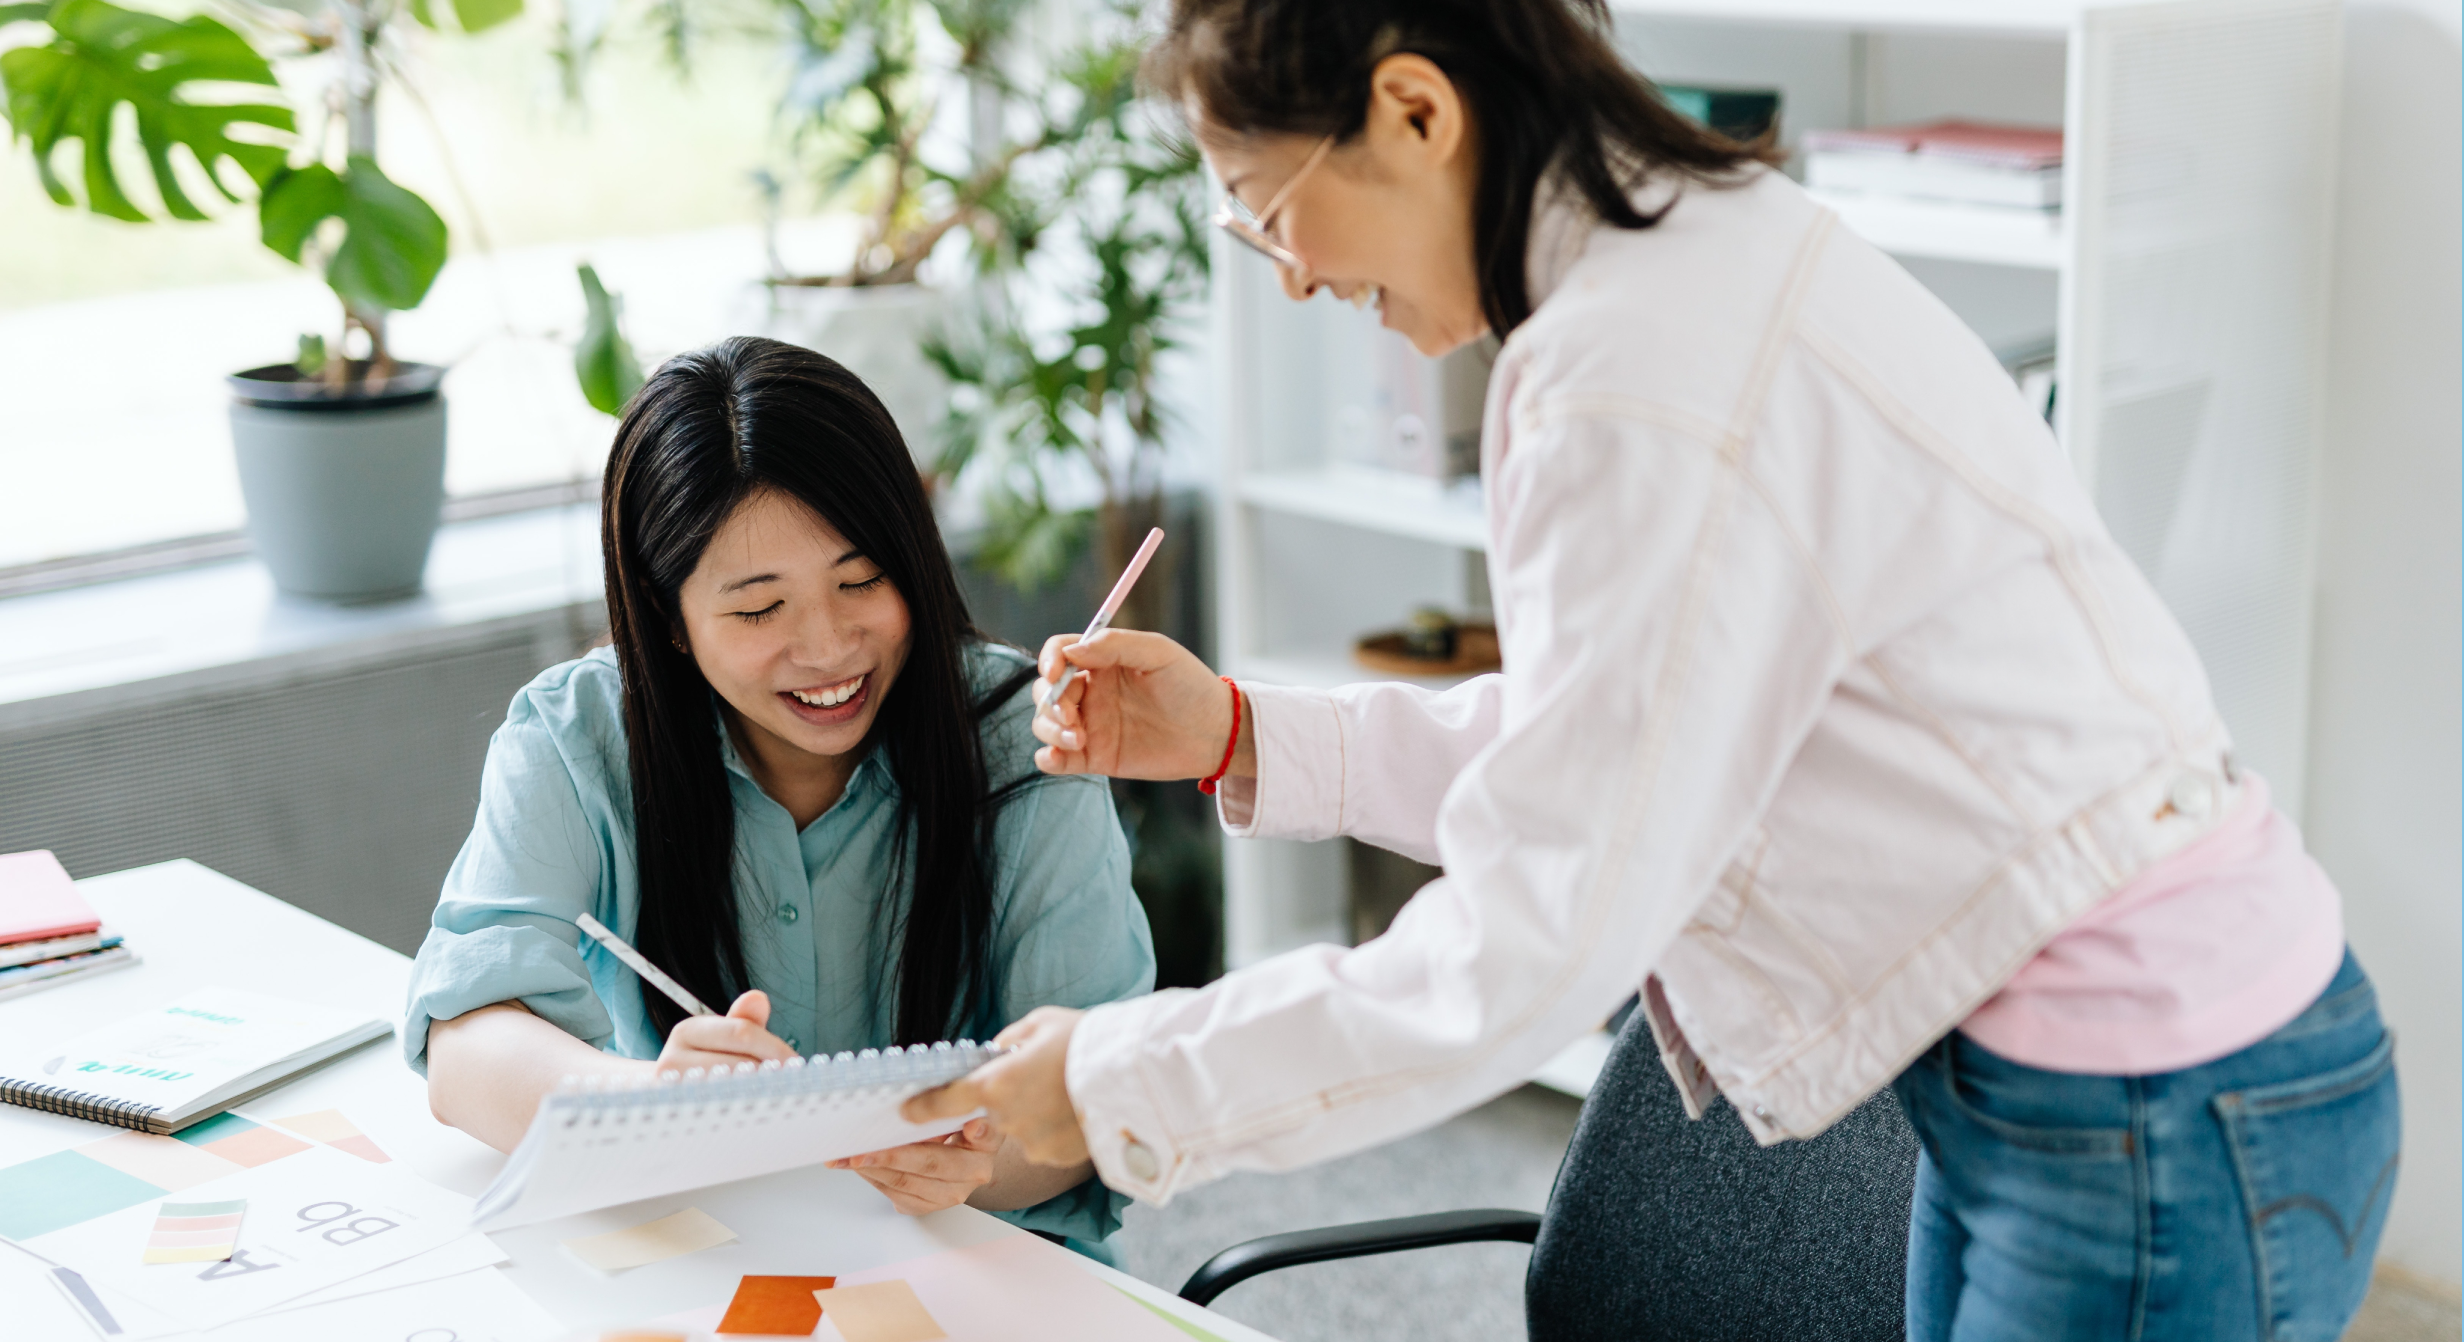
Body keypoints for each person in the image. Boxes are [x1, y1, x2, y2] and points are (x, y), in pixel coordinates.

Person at [909, 0, 2403, 1333]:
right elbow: (1620, 744)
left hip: (2155, 1098)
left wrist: (1112, 1086)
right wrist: (1242, 731)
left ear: (1417, 112)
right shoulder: (1676, 256)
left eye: (1264, 208)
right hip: (2090, 1083)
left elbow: (1533, 936)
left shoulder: (1637, 377)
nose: (1287, 277)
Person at [405, 336, 1154, 1251]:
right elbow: (469, 1043)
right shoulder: (575, 735)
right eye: (759, 609)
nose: (830, 646)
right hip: (708, 1255)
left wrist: (982, 1160)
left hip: (980, 1267)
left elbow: (1101, 1094)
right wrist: (654, 1107)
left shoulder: (1026, 738)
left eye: (863, 579)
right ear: (667, 616)